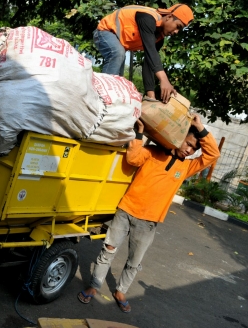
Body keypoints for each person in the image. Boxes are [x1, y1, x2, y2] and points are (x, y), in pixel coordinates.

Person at [77, 114, 220, 313]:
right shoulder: (152, 152)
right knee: (108, 249)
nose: (189, 150)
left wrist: (200, 127)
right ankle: (94, 285)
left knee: (134, 261)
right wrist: (139, 133)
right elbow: (133, 158)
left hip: (149, 221)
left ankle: (121, 291)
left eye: (194, 148)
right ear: (179, 138)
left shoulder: (187, 166)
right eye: (188, 143)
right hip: (126, 210)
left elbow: (213, 155)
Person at [94, 4, 194, 103]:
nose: (176, 32)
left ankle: (105, 101)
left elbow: (149, 63)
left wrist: (151, 98)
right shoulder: (147, 18)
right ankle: (100, 98)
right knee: (117, 54)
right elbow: (150, 50)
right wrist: (164, 79)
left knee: (116, 80)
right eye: (178, 26)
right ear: (169, 17)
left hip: (119, 45)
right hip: (105, 32)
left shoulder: (159, 39)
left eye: (179, 30)